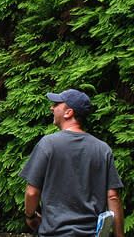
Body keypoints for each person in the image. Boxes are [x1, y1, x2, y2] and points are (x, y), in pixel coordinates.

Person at [20, 88, 125, 236]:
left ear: (68, 112)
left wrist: (30, 216)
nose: (52, 108)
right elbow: (113, 196)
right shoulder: (103, 149)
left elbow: (32, 192)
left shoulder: (48, 144)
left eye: (56, 105)